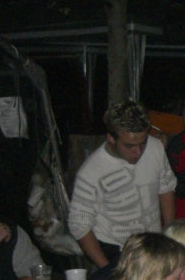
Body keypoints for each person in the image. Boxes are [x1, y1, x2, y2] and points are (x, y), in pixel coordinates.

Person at [69, 101, 177, 269]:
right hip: (115, 251)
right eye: (129, 146)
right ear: (111, 138)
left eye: (143, 142)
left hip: (151, 247)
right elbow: (79, 225)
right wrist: (107, 269)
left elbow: (166, 187)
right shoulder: (91, 171)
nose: (138, 151)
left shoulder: (155, 147)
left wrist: (170, 238)